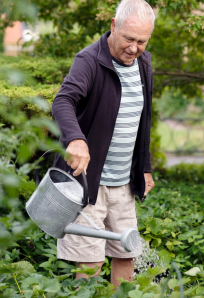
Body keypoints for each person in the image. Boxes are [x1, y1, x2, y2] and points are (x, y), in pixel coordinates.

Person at [51, 0, 156, 287]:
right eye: (128, 39)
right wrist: (75, 138)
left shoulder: (143, 64)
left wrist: (144, 166)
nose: (134, 48)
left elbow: (142, 120)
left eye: (141, 41)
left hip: (123, 184)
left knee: (127, 254)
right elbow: (63, 101)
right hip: (88, 183)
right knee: (91, 260)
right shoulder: (89, 60)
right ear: (113, 26)